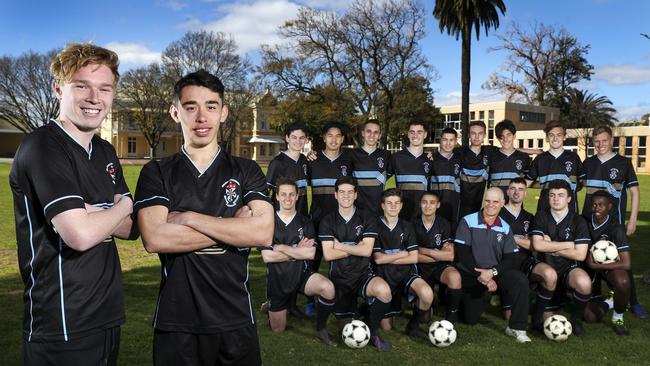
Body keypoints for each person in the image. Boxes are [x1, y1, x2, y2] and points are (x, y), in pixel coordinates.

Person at [133, 70, 274, 365]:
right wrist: (235, 226)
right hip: (177, 322)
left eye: (211, 106)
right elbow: (155, 238)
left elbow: (263, 233)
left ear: (224, 113)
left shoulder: (246, 170)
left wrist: (187, 218)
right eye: (190, 107)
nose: (201, 117)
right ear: (175, 112)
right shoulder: (156, 172)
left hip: (235, 319)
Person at [10, 43, 134, 365]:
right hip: (62, 322)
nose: (95, 98)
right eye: (82, 86)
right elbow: (79, 234)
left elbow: (129, 230)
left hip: (107, 315)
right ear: (57, 89)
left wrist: (98, 213)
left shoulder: (105, 151)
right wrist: (122, 205)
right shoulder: (43, 146)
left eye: (104, 88)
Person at [319, 177, 394, 351]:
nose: (346, 196)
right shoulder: (327, 221)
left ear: (356, 195)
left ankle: (373, 331)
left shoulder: (367, 217)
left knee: (384, 291)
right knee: (345, 329)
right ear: (335, 195)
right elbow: (329, 254)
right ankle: (360, 311)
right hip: (339, 278)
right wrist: (356, 246)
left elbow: (367, 251)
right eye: (342, 192)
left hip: (362, 274)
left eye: (350, 192)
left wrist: (339, 245)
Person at [261, 178, 336, 344]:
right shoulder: (268, 223)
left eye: (291, 194)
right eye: (284, 194)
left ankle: (321, 328)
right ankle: (271, 307)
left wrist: (281, 247)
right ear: (278, 197)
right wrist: (297, 250)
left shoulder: (306, 222)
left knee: (328, 288)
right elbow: (267, 257)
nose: (288, 198)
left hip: (302, 275)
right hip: (278, 280)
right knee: (279, 329)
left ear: (297, 197)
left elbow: (310, 254)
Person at [582, 125, 646, 319]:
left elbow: (635, 192)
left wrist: (632, 219)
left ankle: (633, 301)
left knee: (621, 262)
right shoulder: (588, 163)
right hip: (589, 222)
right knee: (590, 257)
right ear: (593, 142)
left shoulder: (623, 163)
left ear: (611, 140)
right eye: (597, 141)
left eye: (604, 140)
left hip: (614, 224)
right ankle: (594, 297)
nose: (600, 144)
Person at [454, 187, 530, 343]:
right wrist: (483, 277)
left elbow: (511, 258)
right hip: (472, 274)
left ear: (502, 203)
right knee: (470, 319)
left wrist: (492, 273)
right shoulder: (468, 221)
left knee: (520, 280)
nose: (490, 204)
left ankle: (517, 328)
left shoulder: (505, 226)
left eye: (495, 201)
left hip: (495, 273)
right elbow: (463, 254)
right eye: (487, 200)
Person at [530, 180, 591, 336]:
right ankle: (536, 319)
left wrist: (553, 248)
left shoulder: (579, 221)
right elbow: (537, 245)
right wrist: (568, 245)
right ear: (548, 198)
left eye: (561, 195)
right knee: (547, 319)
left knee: (584, 283)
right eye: (552, 195)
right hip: (546, 267)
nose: (556, 199)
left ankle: (576, 321)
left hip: (568, 268)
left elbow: (580, 254)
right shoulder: (541, 216)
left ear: (569, 199)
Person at [372, 189, 434, 339]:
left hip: (406, 273)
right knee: (387, 328)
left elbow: (413, 258)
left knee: (427, 294)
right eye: (389, 203)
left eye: (396, 203)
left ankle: (412, 327)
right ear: (383, 206)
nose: (393, 206)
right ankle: (368, 307)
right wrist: (401, 253)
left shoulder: (407, 226)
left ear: (401, 206)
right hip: (384, 275)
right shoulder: (374, 225)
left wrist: (390, 257)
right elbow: (378, 259)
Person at [499, 178, 557, 331]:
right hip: (503, 263)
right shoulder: (498, 213)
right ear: (507, 192)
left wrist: (512, 238)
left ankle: (538, 315)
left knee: (550, 275)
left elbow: (539, 244)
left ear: (526, 193)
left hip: (525, 260)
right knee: (509, 316)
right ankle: (503, 297)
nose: (516, 192)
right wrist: (523, 239)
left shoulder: (531, 218)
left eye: (520, 189)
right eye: (513, 188)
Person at [585, 190, 632, 335]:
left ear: (609, 206)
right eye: (594, 204)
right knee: (590, 317)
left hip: (606, 266)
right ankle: (610, 302)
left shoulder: (616, 228)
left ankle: (618, 317)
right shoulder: (583, 222)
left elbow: (626, 263)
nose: (596, 208)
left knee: (623, 281)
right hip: (586, 267)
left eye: (601, 205)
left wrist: (598, 265)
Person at [413, 191, 462, 322]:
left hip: (439, 267)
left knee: (455, 277)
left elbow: (450, 256)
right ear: (420, 204)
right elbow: (414, 257)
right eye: (424, 202)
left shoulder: (444, 223)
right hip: (419, 268)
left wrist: (425, 251)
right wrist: (439, 254)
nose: (428, 206)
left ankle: (450, 320)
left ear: (438, 205)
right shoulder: (412, 224)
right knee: (425, 318)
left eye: (432, 203)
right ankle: (431, 298)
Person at [526, 120, 585, 213]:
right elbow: (527, 182)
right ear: (547, 138)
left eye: (559, 135)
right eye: (551, 135)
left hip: (569, 211)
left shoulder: (574, 157)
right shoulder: (540, 159)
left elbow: (582, 182)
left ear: (564, 137)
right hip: (545, 210)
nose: (555, 138)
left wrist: (571, 189)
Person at [388, 121, 431, 219]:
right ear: (408, 134)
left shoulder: (430, 159)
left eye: (419, 132)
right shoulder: (396, 158)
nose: (415, 135)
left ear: (425, 135)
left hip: (424, 215)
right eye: (412, 132)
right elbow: (383, 184)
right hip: (401, 214)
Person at [266, 122, 310, 217]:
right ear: (287, 138)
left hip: (302, 217)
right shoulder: (277, 162)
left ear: (306, 139)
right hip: (282, 218)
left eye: (301, 138)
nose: (298, 141)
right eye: (294, 137)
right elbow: (265, 192)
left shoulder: (304, 160)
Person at [350, 120, 392, 217]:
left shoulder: (386, 155)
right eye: (368, 131)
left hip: (379, 212)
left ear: (380, 135)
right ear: (363, 133)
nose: (372, 135)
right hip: (356, 213)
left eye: (375, 132)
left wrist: (428, 156)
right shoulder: (352, 155)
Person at [429, 127, 462, 231]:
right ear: (440, 141)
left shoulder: (460, 160)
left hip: (454, 210)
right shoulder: (430, 159)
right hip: (434, 210)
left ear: (456, 142)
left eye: (451, 140)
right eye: (445, 140)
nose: (448, 143)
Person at [488, 120, 532, 197]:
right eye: (502, 137)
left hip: (515, 204)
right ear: (498, 138)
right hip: (495, 203)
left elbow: (528, 179)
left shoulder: (524, 157)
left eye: (509, 135)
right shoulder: (491, 156)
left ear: (514, 136)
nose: (505, 139)